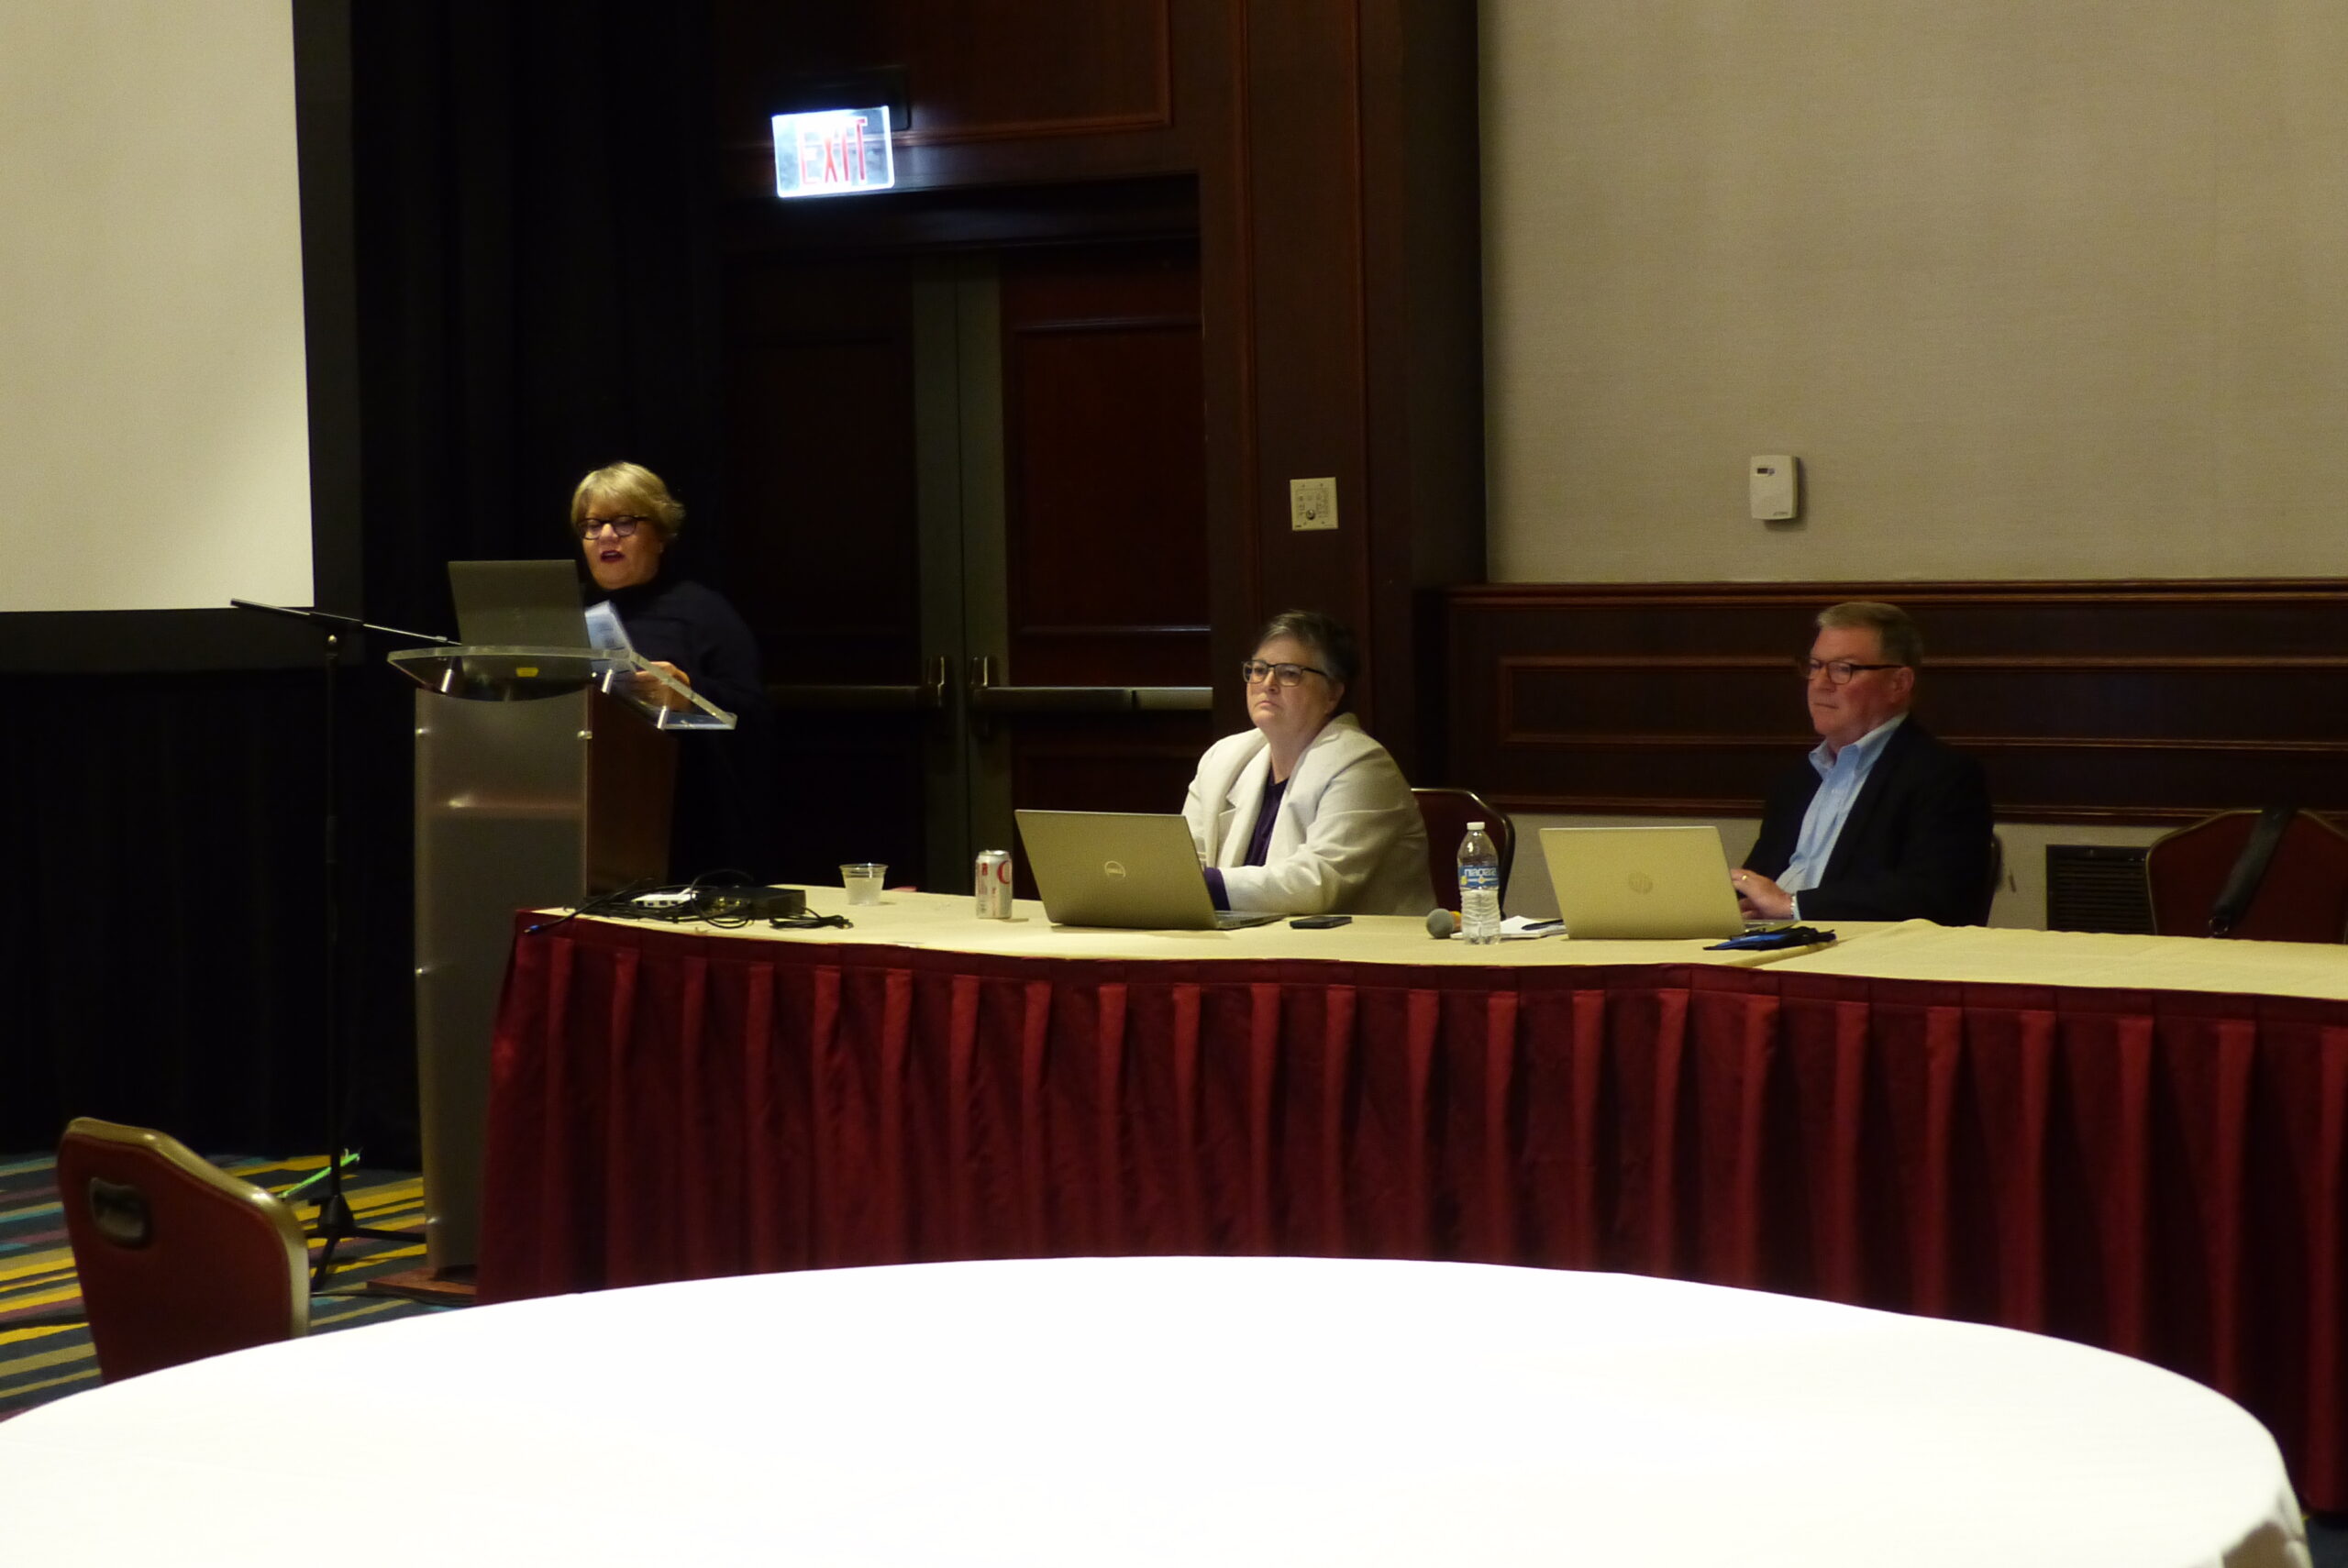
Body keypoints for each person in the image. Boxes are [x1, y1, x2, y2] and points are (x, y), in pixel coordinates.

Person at [570, 461, 777, 881]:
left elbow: (756, 715)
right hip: (581, 817)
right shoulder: (565, 612)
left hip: (682, 828)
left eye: (625, 522)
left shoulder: (702, 613)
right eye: (592, 525)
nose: (606, 535)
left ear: (661, 535)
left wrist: (688, 694)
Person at [1734, 601, 1993, 925]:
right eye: (1815, 666)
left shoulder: (1944, 776)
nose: (1820, 683)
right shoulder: (1798, 780)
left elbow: (1937, 896)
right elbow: (1759, 882)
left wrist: (1794, 906)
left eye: (1843, 669)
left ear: (1898, 683)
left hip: (1857, 948)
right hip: (1767, 942)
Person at [1181, 610, 1432, 916]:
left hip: (1353, 944)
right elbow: (1184, 862)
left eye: (1289, 673)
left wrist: (1200, 886)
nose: (1267, 683)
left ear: (1333, 693)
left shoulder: (1364, 766)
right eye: (1259, 669)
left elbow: (1317, 882)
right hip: (1247, 940)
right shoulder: (1222, 758)